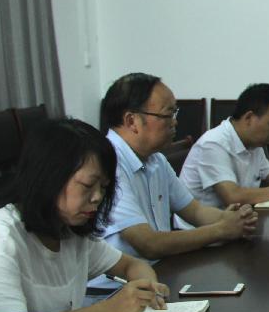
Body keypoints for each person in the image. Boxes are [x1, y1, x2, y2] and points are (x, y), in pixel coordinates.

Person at [0, 119, 168, 312]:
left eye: (104, 188)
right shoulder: (2, 236)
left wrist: (146, 287)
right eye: (88, 186)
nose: (97, 197)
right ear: (49, 176)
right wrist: (109, 309)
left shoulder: (70, 231)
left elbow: (131, 265)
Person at [99, 73, 257, 261]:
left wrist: (235, 220)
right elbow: (149, 244)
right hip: (122, 279)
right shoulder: (108, 164)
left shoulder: (156, 159)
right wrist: (221, 229)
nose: (175, 121)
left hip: (158, 269)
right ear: (131, 121)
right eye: (168, 114)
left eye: (175, 113)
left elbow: (195, 211)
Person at [181, 83, 269, 208]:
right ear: (249, 118)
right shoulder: (213, 144)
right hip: (205, 222)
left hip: (237, 218)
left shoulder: (254, 143)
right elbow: (233, 197)